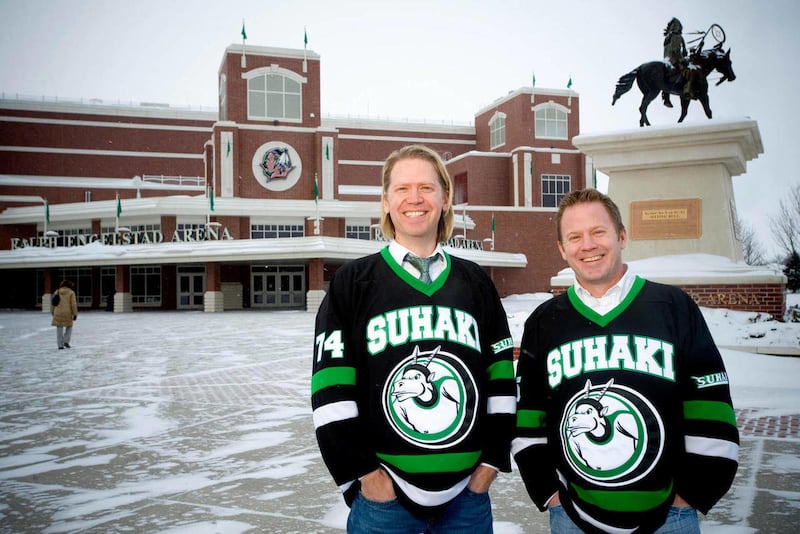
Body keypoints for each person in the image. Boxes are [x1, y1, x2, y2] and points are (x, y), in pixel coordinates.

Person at [312, 144, 517, 533]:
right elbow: (330, 393)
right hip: (384, 499)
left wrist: (488, 467)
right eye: (402, 189)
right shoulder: (352, 282)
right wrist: (367, 478)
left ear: (444, 198)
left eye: (426, 187)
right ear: (386, 202)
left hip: (467, 497)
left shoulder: (475, 281)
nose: (415, 199)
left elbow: (502, 381)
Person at [513, 189, 739, 533]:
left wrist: (692, 493)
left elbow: (710, 405)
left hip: (670, 517)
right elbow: (529, 414)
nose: (587, 245)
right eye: (575, 237)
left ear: (621, 236)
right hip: (572, 517)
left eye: (598, 232)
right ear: (562, 249)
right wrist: (548, 493)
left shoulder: (673, 307)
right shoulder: (545, 321)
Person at [51, 279, 78, 349]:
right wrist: (75, 313)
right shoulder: (71, 292)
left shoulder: (57, 291)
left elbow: (53, 303)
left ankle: (60, 345)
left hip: (57, 312)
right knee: (69, 326)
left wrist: (52, 312)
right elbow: (73, 304)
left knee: (59, 328)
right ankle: (66, 341)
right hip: (67, 313)